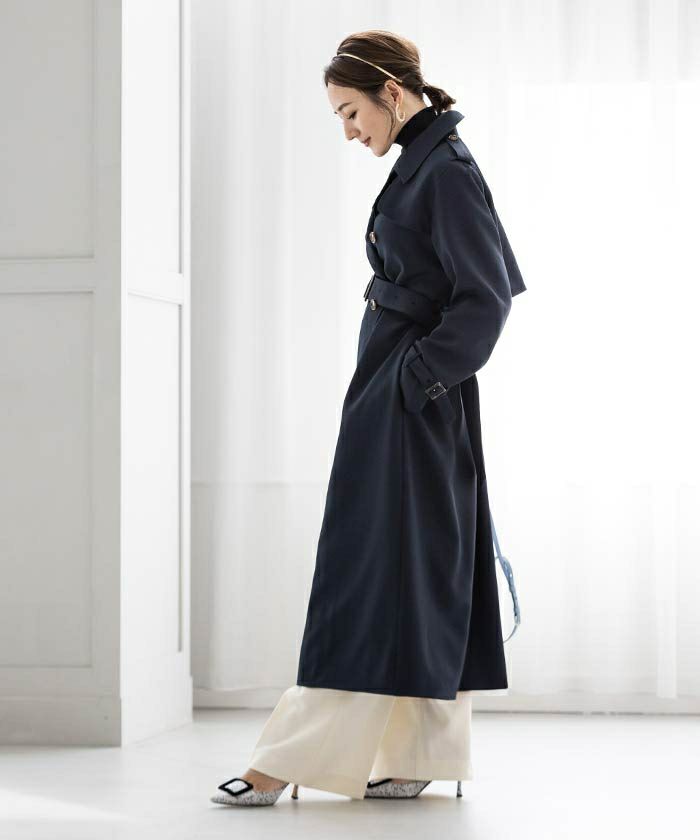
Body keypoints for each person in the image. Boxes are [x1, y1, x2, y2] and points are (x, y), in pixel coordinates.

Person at [211, 29, 526, 808]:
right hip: (402, 392)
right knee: (417, 569)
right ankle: (422, 752)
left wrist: (414, 381)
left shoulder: (445, 170)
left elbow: (485, 298)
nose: (349, 132)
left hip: (414, 398)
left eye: (351, 112)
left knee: (367, 571)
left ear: (391, 91)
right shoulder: (425, 161)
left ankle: (285, 759)